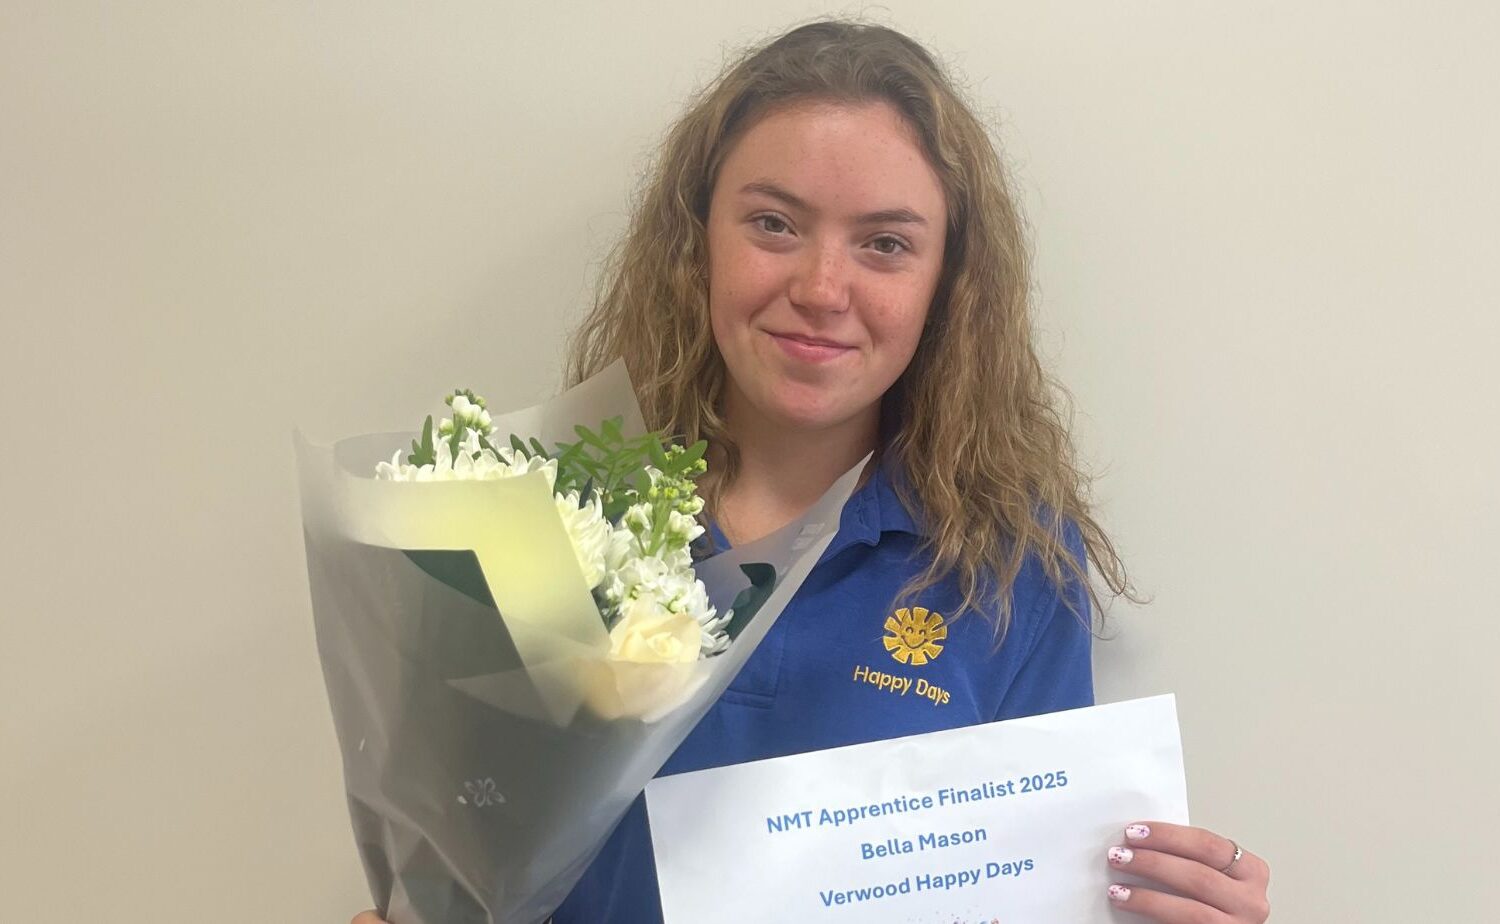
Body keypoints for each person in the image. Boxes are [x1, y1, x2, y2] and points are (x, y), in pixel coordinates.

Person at [354, 18, 1271, 924]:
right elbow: (457, 875)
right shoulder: (542, 525)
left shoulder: (1010, 568)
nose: (822, 289)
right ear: (696, 243)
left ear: (948, 283)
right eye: (774, 224)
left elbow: (1036, 899)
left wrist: (1166, 912)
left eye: (885, 243)